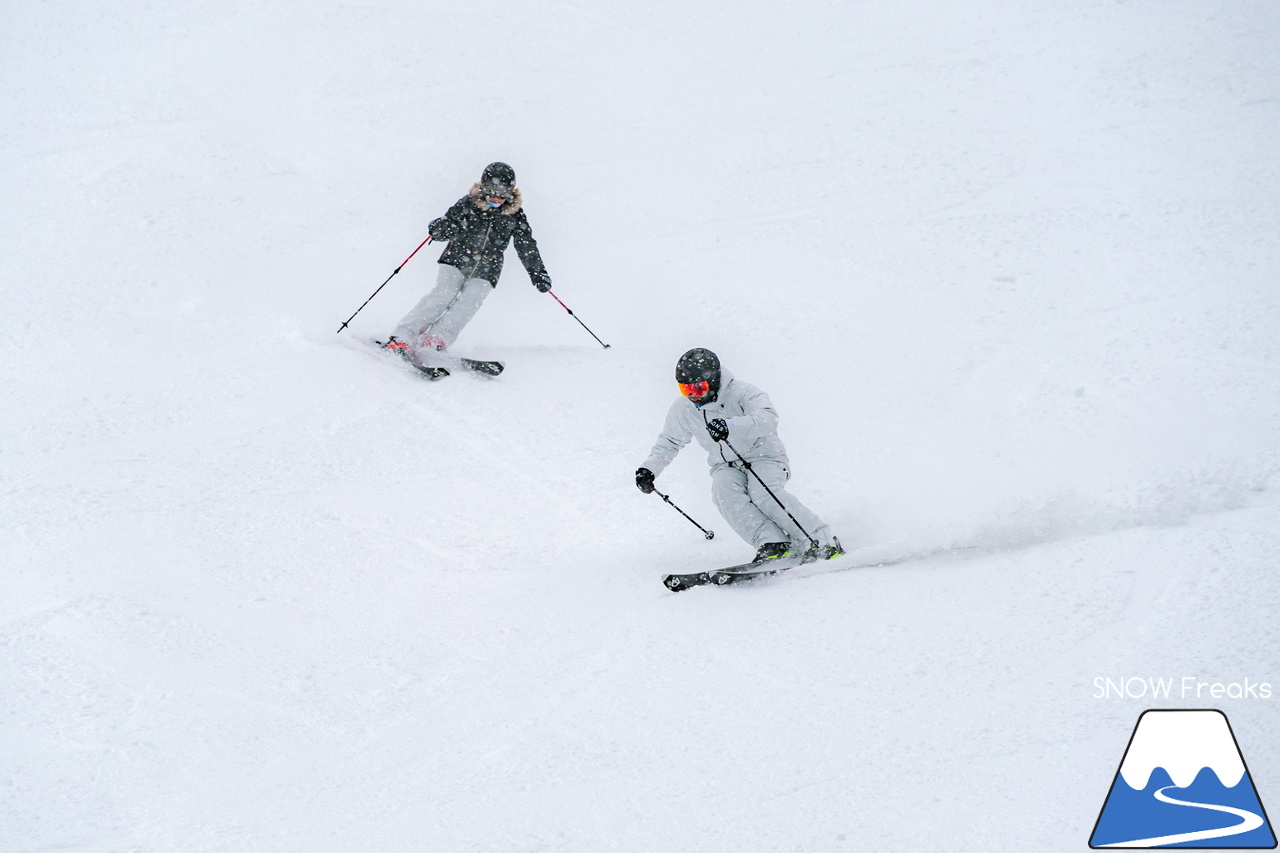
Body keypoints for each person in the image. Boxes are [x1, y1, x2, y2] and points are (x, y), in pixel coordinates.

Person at [635, 348, 843, 562]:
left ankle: (821, 541)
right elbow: (670, 441)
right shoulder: (684, 409)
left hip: (765, 457)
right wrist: (649, 468)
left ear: (714, 380)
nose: (693, 395)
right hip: (725, 466)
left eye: (699, 388)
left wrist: (730, 426)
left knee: (763, 492)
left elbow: (767, 419)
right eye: (685, 389)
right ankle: (773, 544)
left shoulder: (743, 392)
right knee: (723, 492)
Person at [384, 162, 552, 364]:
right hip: (456, 259)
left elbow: (526, 246)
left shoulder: (515, 215)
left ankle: (435, 340)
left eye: (503, 192)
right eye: (492, 190)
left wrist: (537, 273)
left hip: (487, 269)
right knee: (443, 294)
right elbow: (449, 224)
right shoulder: (469, 204)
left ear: (511, 192)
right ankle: (402, 336)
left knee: (469, 303)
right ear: (483, 187)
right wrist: (439, 229)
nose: (496, 197)